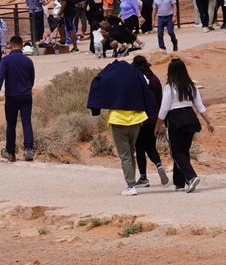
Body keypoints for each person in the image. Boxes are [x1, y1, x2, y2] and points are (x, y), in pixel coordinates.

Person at [86, 55, 152, 195]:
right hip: (136, 120)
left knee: (125, 155)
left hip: (118, 120)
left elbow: (97, 82)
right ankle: (132, 182)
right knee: (131, 152)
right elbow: (146, 89)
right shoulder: (134, 75)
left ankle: (130, 186)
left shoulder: (113, 77)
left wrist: (95, 109)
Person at [158, 57, 212, 192]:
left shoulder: (169, 87)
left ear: (170, 72)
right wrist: (209, 122)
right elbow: (200, 107)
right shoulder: (191, 86)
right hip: (190, 119)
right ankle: (180, 182)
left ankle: (192, 177)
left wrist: (157, 126)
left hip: (175, 120)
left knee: (177, 152)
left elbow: (164, 109)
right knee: (183, 151)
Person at [129, 54, 168, 188]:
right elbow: (160, 99)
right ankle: (159, 165)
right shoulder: (154, 79)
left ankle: (143, 178)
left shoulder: (135, 80)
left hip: (140, 118)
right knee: (151, 146)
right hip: (154, 118)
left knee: (140, 147)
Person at [0, 41, 36, 162]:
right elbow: (32, 78)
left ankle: (10, 152)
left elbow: (0, 78)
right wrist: (28, 88)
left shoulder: (5, 60)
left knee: (11, 124)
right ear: (22, 46)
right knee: (26, 122)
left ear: (10, 46)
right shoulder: (28, 61)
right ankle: (29, 149)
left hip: (11, 96)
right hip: (26, 95)